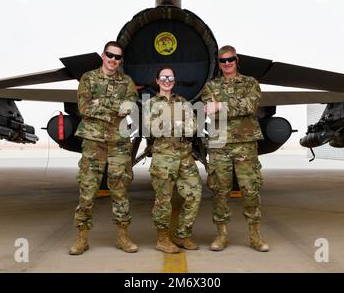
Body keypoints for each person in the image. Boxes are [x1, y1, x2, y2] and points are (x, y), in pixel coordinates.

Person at [69, 41, 139, 255]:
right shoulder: (88, 78)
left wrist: (100, 103)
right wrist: (112, 109)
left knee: (120, 189)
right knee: (87, 189)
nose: (113, 60)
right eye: (110, 55)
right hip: (93, 142)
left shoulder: (127, 81)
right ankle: (82, 238)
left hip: (118, 143)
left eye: (117, 57)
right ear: (103, 55)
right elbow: (83, 107)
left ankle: (123, 237)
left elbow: (129, 107)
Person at [201, 45, 269, 252]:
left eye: (230, 59)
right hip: (219, 145)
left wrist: (221, 106)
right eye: (223, 61)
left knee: (250, 189)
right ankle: (221, 235)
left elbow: (251, 105)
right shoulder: (210, 86)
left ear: (236, 60)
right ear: (219, 64)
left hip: (245, 144)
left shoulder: (250, 83)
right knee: (220, 191)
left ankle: (255, 235)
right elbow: (209, 111)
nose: (227, 63)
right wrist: (232, 106)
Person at [148, 66, 202, 253]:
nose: (167, 80)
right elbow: (153, 129)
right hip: (164, 157)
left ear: (174, 80)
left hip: (185, 155)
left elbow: (193, 127)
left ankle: (182, 235)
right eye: (163, 77)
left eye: (170, 77)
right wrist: (179, 123)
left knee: (194, 193)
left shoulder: (183, 102)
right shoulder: (150, 103)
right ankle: (162, 239)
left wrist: (168, 123)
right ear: (157, 80)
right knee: (163, 199)